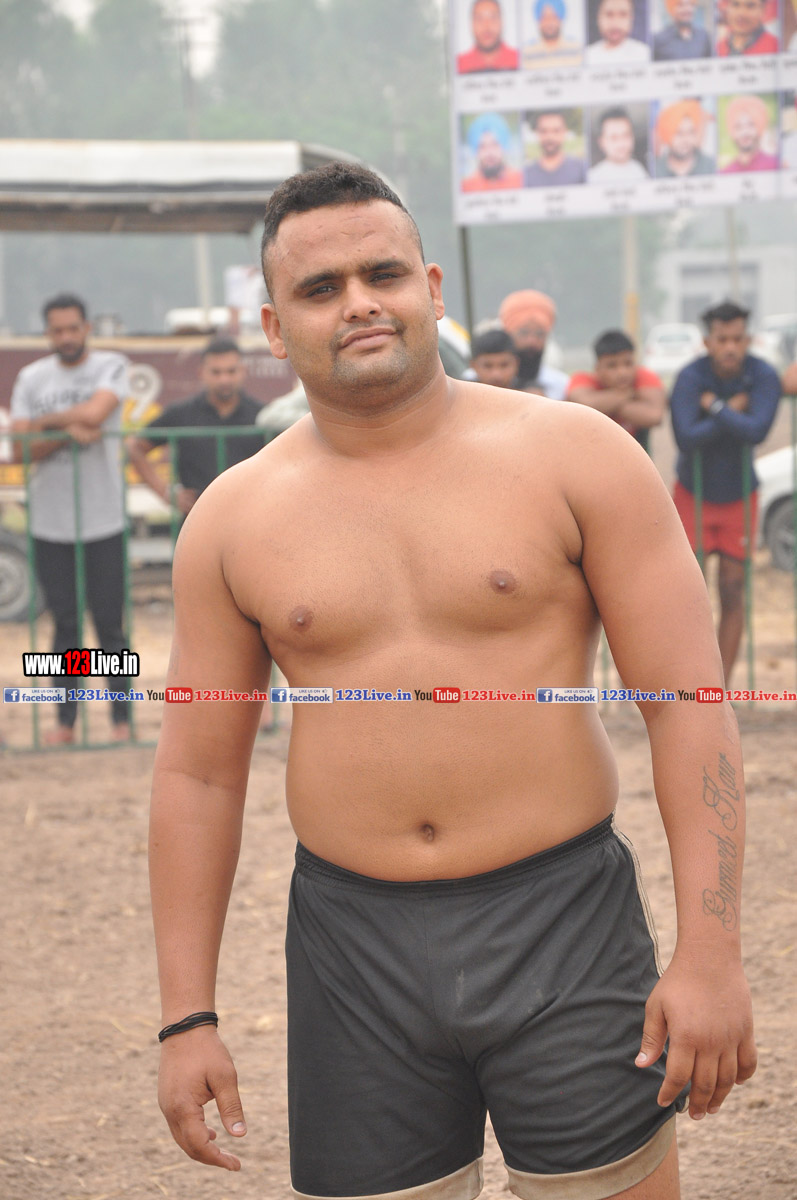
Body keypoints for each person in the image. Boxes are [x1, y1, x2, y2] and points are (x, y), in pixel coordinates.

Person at [151, 161, 756, 1200]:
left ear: (431, 288)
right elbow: (198, 774)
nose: (358, 303)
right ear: (273, 328)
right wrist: (185, 1017)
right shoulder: (231, 519)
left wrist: (709, 953)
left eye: (381, 274)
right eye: (320, 288)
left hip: (561, 919)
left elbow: (687, 710)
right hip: (351, 945)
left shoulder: (578, 456)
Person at [9, 293, 131, 743]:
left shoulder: (111, 365)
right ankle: (65, 722)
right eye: (57, 330)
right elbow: (19, 448)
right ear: (47, 333)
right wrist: (68, 431)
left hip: (104, 519)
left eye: (72, 328)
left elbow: (97, 413)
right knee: (64, 629)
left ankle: (121, 719)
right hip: (50, 522)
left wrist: (45, 423)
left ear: (86, 328)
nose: (65, 337)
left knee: (111, 626)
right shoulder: (31, 377)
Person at [670, 300, 781, 684]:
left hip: (740, 495)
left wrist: (714, 407)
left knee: (733, 590)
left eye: (737, 339)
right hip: (693, 493)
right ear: (707, 342)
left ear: (748, 340)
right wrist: (733, 410)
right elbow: (686, 438)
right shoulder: (690, 377)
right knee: (689, 594)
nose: (730, 347)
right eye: (722, 339)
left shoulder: (762, 374)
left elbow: (757, 431)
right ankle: (687, 681)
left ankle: (719, 688)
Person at [125, 337, 264, 518]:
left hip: (251, 518)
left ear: (243, 371)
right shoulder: (181, 413)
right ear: (201, 373)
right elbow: (135, 447)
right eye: (216, 372)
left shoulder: (263, 416)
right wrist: (166, 493)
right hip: (197, 520)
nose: (224, 379)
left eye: (231, 371)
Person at [566, 329, 666, 442]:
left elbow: (654, 416)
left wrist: (604, 406)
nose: (622, 372)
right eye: (612, 366)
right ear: (597, 368)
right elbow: (585, 406)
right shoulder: (582, 379)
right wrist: (626, 394)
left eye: (628, 363)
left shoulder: (644, 376)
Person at [497, 288, 570, 398]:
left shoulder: (561, 386)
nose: (532, 341)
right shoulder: (476, 383)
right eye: (524, 333)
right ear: (508, 333)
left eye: (540, 334)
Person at [523, 110, 587, 187]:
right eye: (544, 131)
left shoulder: (581, 169)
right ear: (537, 133)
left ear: (564, 132)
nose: (550, 137)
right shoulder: (526, 174)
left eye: (556, 131)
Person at [461, 114, 523, 192]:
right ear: (476, 151)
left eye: (495, 144)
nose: (489, 152)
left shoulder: (520, 181)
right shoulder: (466, 186)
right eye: (483, 146)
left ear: (504, 147)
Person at [588, 107, 649, 182]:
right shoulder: (594, 176)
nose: (621, 143)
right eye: (614, 138)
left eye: (626, 135)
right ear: (602, 142)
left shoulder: (640, 171)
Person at [655, 99, 714, 177]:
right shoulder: (656, 169)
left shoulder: (711, 166)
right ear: (667, 135)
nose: (685, 140)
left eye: (690, 132)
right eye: (679, 133)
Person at [720, 95, 778, 173]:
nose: (745, 132)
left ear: (759, 127)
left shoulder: (775, 165)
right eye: (738, 127)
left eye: (751, 125)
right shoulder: (725, 173)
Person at [457, 0, 519, 72]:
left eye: (493, 18)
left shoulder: (520, 61)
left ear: (502, 22)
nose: (486, 26)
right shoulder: (459, 65)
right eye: (480, 19)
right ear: (472, 24)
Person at [584, 0, 651, 63]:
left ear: (631, 18)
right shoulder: (587, 55)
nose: (615, 23)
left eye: (623, 14)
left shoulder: (644, 53)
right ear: (598, 17)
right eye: (609, 14)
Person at [523, 0, 583, 68]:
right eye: (545, 18)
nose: (549, 22)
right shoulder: (528, 52)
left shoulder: (575, 49)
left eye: (554, 17)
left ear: (561, 19)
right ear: (538, 21)